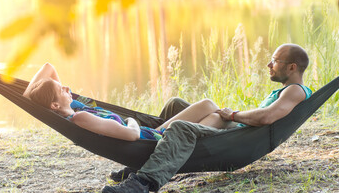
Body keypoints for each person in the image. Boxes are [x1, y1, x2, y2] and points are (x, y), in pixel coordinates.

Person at [101, 43, 313, 193]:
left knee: (180, 127)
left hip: (237, 140)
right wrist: (228, 116)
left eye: (275, 60)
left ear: (292, 67)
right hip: (235, 131)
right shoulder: (289, 90)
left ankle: (143, 182)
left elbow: (266, 117)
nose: (269, 64)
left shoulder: (295, 91)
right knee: (177, 104)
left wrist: (232, 115)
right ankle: (148, 151)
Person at [23, 63, 230, 141]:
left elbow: (48, 68)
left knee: (213, 113)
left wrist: (30, 98)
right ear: (54, 105)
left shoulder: (73, 106)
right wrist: (131, 119)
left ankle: (234, 126)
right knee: (211, 108)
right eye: (61, 89)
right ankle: (235, 132)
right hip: (156, 140)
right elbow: (131, 134)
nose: (67, 87)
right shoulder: (80, 116)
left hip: (153, 134)